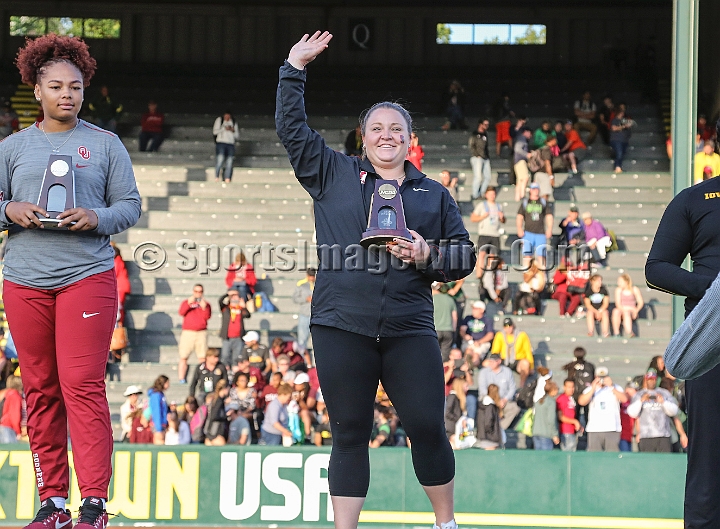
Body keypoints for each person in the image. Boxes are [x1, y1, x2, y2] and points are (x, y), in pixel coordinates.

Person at [276, 31, 475, 529]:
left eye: (397, 129)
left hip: (409, 328)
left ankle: (445, 523)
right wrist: (293, 69)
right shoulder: (331, 173)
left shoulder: (434, 194)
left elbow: (465, 254)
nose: (387, 135)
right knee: (348, 432)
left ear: (411, 139)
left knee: (429, 427)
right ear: (362, 136)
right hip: (342, 325)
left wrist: (428, 252)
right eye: (377, 128)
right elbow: (293, 130)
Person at [1, 34, 141, 529]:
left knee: (81, 384)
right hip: (24, 281)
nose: (67, 94)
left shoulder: (106, 144)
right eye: (56, 86)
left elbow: (130, 206)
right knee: (39, 388)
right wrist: (7, 208)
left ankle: (94, 505)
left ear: (85, 90)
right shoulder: (12, 147)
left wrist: (96, 217)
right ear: (35, 90)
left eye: (76, 86)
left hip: (87, 277)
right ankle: (52, 503)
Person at [646, 132, 720, 526]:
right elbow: (656, 267)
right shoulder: (694, 199)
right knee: (708, 457)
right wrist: (713, 289)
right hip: (713, 340)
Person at [626, 369, 678, 453]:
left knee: (664, 462)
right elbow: (632, 413)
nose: (651, 382)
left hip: (663, 435)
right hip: (646, 435)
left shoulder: (664, 393)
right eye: (649, 379)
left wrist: (663, 402)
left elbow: (674, 411)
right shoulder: (639, 394)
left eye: (653, 379)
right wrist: (641, 401)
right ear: (646, 380)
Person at [577, 367, 627, 452]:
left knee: (612, 456)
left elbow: (624, 399)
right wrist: (593, 388)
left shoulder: (616, 387)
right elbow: (581, 401)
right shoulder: (590, 389)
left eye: (604, 377)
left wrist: (611, 387)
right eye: (600, 377)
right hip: (595, 429)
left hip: (612, 428)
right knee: (595, 456)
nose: (602, 380)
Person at [178, 284, 212, 384]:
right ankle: (181, 377)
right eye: (196, 291)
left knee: (202, 357)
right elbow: (181, 312)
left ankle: (202, 377)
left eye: (200, 292)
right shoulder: (187, 302)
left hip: (201, 332)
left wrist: (204, 308)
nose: (198, 294)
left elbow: (207, 317)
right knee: (183, 356)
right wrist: (189, 303)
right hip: (188, 332)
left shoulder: (206, 304)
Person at [478, 353, 519, 431]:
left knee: (514, 408)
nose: (491, 363)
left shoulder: (507, 371)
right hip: (489, 401)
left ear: (499, 361)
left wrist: (505, 399)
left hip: (503, 401)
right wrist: (495, 400)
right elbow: (483, 390)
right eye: (490, 361)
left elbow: (512, 388)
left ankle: (500, 428)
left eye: (493, 362)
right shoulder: (484, 372)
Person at [516, 183, 553, 267]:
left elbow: (549, 216)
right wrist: (519, 228)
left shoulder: (543, 202)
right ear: (530, 191)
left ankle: (542, 275)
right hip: (528, 233)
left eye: (537, 189)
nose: (535, 191)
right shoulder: (525, 203)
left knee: (541, 256)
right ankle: (527, 275)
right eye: (534, 189)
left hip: (540, 233)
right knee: (527, 255)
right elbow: (520, 216)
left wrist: (549, 228)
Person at [490, 317, 533, 388]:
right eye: (506, 327)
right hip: (504, 359)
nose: (508, 329)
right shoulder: (500, 335)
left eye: (510, 326)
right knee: (487, 364)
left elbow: (527, 351)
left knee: (525, 364)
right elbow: (495, 351)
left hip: (517, 359)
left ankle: (521, 386)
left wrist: (531, 366)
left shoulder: (522, 335)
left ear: (513, 326)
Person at [470, 186, 505, 274]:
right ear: (486, 195)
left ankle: (489, 275)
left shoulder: (499, 206)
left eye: (493, 194)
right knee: (481, 254)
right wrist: (482, 216)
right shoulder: (482, 205)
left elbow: (503, 221)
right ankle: (479, 275)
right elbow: (473, 218)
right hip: (484, 233)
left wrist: (502, 217)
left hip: (495, 234)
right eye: (490, 194)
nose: (492, 196)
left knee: (492, 256)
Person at [219, 288, 251, 366]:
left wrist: (243, 306)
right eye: (233, 298)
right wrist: (228, 294)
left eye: (236, 298)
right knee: (225, 356)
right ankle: (226, 372)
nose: (235, 300)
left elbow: (247, 315)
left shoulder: (240, 309)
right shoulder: (226, 308)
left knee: (236, 357)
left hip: (238, 337)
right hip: (227, 337)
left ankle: (234, 372)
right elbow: (220, 301)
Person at [292, 267, 316, 353]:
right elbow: (295, 298)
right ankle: (303, 359)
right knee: (302, 339)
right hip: (305, 314)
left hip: (317, 315)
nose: (312, 278)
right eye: (310, 276)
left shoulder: (319, 283)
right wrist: (305, 299)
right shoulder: (301, 284)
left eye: (313, 276)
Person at [212, 111, 240, 183]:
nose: (227, 118)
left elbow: (237, 135)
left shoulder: (233, 122)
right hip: (221, 143)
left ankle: (227, 178)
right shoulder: (219, 120)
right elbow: (215, 132)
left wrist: (232, 130)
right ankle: (217, 176)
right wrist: (224, 129)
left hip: (230, 144)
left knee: (229, 161)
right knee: (220, 159)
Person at [434, 283, 458, 362]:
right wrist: (453, 330)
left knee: (432, 353)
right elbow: (455, 317)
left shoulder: (432, 299)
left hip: (435, 330)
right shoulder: (450, 299)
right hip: (448, 330)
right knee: (444, 356)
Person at [468, 119, 492, 200]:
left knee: (488, 177)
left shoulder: (485, 134)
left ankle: (482, 192)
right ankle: (475, 194)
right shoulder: (474, 134)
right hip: (477, 157)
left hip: (485, 157)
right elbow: (472, 145)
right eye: (485, 124)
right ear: (480, 124)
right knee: (478, 177)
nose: (486, 126)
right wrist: (476, 155)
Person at [532, 381, 559, 451]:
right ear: (552, 390)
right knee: (546, 459)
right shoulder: (551, 402)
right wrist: (554, 434)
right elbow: (551, 420)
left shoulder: (539, 401)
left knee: (538, 458)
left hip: (536, 433)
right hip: (546, 434)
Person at [556, 379, 582, 451]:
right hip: (565, 432)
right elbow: (560, 416)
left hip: (572, 431)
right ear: (564, 387)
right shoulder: (561, 399)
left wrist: (578, 425)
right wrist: (575, 422)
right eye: (569, 387)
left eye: (572, 387)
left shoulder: (572, 398)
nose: (571, 389)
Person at [204, 379, 230, 446]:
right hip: (215, 434)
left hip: (210, 433)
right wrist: (226, 416)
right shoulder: (218, 401)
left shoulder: (217, 400)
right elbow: (214, 416)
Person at [609, 104, 635, 173]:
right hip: (616, 140)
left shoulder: (625, 120)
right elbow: (614, 128)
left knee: (621, 154)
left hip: (624, 140)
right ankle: (617, 167)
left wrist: (628, 125)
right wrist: (624, 127)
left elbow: (631, 125)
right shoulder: (614, 120)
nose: (622, 114)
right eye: (621, 112)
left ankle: (618, 167)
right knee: (619, 153)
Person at [0, 374, 23, 443]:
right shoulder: (15, 395)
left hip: (3, 426)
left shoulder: (6, 394)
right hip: (9, 428)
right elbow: (15, 415)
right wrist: (18, 431)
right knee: (11, 449)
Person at [147, 375, 169, 445]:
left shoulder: (161, 394)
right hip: (158, 424)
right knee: (159, 442)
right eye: (167, 383)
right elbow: (156, 411)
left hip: (162, 423)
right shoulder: (156, 395)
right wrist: (158, 428)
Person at [444, 377, 466, 447]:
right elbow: (447, 412)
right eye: (466, 386)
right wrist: (459, 419)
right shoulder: (452, 397)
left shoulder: (458, 398)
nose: (467, 388)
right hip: (451, 429)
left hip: (456, 428)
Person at [513, 127, 533, 201]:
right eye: (530, 134)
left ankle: (517, 197)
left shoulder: (520, 138)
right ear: (526, 132)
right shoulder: (522, 139)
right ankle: (522, 195)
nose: (530, 136)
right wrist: (526, 154)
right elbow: (517, 149)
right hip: (521, 161)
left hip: (517, 161)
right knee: (525, 177)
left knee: (519, 180)